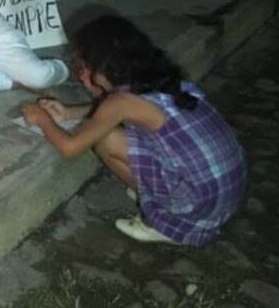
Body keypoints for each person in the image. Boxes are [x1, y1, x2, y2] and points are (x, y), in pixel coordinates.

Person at [21, 15, 246, 246]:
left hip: (196, 207)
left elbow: (70, 147)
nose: (81, 73)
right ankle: (158, 196)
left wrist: (41, 119)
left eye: (83, 65)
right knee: (115, 131)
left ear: (100, 68)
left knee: (106, 140)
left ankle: (160, 221)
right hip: (224, 193)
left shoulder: (121, 102)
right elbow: (119, 111)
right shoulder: (160, 79)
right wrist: (68, 113)